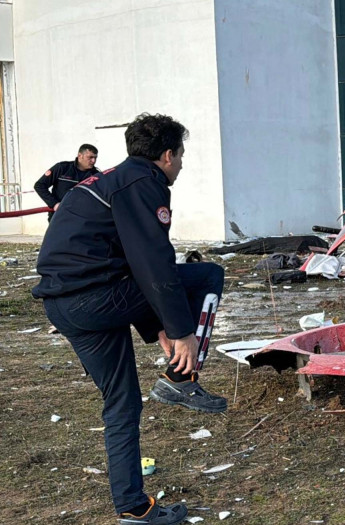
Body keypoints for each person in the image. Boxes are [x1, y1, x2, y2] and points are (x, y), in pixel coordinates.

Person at [33, 113, 226, 525]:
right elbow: (153, 265)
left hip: (66, 304)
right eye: (181, 157)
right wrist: (181, 333)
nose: (181, 166)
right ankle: (182, 380)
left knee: (122, 404)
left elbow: (118, 258)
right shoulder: (144, 183)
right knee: (208, 274)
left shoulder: (110, 181)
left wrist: (154, 326)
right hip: (94, 296)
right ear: (168, 154)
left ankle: (134, 509)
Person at [33, 143, 101, 221]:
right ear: (80, 156)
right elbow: (39, 185)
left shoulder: (96, 175)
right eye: (90, 157)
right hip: (60, 216)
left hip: (83, 218)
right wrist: (54, 204)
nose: (93, 161)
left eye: (95, 158)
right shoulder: (62, 168)